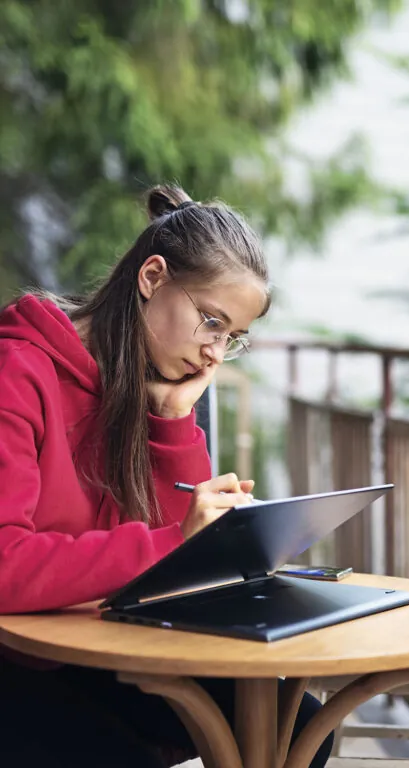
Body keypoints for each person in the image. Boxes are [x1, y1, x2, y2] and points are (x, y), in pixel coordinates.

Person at [0, 184, 333, 767]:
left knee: (299, 729)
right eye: (211, 321)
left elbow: (168, 572)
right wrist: (177, 541)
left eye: (231, 338)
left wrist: (175, 422)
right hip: (16, 655)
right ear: (152, 277)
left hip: (100, 643)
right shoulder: (18, 371)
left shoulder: (149, 383)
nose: (213, 352)